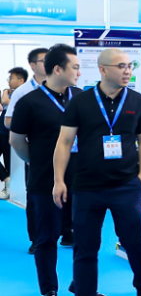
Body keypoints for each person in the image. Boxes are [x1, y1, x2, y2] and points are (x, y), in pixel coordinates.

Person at [53, 48, 141, 296]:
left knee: (135, 243)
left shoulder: (136, 101)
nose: (127, 71)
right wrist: (58, 180)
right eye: (121, 66)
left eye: (129, 66)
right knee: (85, 247)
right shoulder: (81, 101)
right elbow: (64, 142)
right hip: (87, 187)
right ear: (103, 69)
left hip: (126, 186)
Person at [9, 45, 82, 296]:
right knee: (46, 238)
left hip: (81, 181)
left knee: (85, 236)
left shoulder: (81, 97)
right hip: (45, 182)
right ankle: (49, 289)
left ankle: (81, 284)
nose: (79, 72)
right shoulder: (29, 102)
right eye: (75, 67)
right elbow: (16, 140)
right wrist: (37, 162)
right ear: (58, 69)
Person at [5, 47, 49, 253]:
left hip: (66, 151)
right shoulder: (23, 92)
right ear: (33, 65)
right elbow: (8, 122)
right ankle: (36, 238)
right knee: (36, 195)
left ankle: (68, 232)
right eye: (44, 60)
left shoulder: (64, 89)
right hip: (37, 150)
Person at [1, 66, 28, 199]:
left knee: (9, 162)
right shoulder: (10, 93)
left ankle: (9, 188)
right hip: (2, 131)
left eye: (11, 78)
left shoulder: (24, 93)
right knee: (8, 164)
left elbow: (5, 101)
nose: (9, 81)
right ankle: (6, 179)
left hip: (12, 133)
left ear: (21, 80)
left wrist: (6, 92)